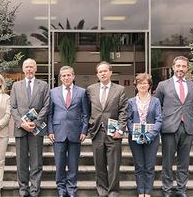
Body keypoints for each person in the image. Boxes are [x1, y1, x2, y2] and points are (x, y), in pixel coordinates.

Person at [155, 56, 193, 197]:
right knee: (167, 161)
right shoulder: (163, 85)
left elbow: (191, 106)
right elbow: (157, 106)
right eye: (178, 66)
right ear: (173, 67)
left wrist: (187, 119)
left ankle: (181, 190)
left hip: (187, 127)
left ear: (187, 68)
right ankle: (167, 190)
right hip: (169, 128)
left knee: (184, 162)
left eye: (183, 66)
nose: (180, 69)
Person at [86, 61, 128, 197]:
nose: (103, 73)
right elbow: (87, 110)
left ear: (110, 72)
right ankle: (102, 191)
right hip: (97, 131)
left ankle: (113, 192)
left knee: (114, 165)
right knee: (99, 165)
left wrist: (120, 129)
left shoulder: (119, 89)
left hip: (113, 132)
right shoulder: (91, 89)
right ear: (97, 74)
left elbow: (123, 111)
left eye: (105, 71)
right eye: (100, 71)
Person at [10, 58, 50, 197]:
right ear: (23, 69)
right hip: (21, 129)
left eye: (31, 67)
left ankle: (34, 190)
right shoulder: (16, 86)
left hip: (36, 130)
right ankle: (23, 190)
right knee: (21, 162)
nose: (29, 69)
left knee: (36, 161)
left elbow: (46, 106)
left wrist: (36, 122)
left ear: (36, 69)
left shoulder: (44, 85)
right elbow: (13, 107)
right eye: (26, 67)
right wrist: (22, 123)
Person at [47, 66, 89, 197]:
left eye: (68, 75)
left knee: (73, 164)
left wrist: (84, 130)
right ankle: (61, 189)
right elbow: (49, 114)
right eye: (63, 76)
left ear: (73, 76)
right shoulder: (53, 92)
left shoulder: (82, 92)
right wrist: (50, 131)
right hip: (58, 132)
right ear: (60, 78)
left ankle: (71, 189)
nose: (66, 78)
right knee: (59, 164)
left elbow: (85, 114)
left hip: (76, 133)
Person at [127, 73, 162, 197]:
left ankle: (148, 192)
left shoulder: (156, 101)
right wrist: (136, 134)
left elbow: (159, 120)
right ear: (136, 85)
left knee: (149, 166)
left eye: (145, 83)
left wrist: (150, 135)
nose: (142, 85)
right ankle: (140, 192)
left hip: (151, 139)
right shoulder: (130, 102)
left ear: (149, 85)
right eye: (140, 83)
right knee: (139, 166)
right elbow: (129, 120)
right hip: (135, 138)